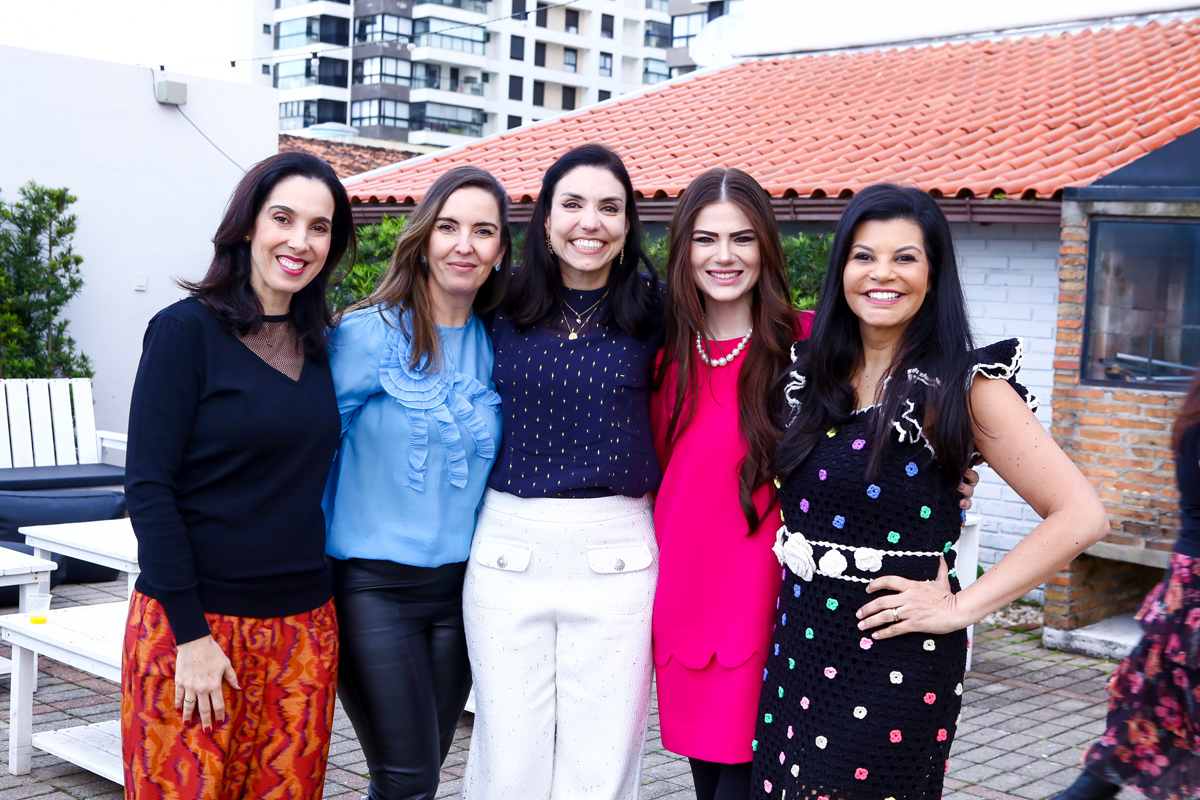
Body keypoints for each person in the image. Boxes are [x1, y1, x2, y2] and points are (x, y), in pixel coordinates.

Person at [751, 183, 1109, 799]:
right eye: (864, 256)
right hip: (799, 646)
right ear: (841, 270)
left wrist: (959, 608)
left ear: (932, 274)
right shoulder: (811, 376)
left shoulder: (966, 387)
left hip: (896, 660)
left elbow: (1080, 515)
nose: (881, 273)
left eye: (905, 257)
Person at [122, 152, 354, 799]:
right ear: (249, 224)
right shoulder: (183, 332)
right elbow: (148, 488)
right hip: (195, 625)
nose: (299, 241)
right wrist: (191, 636)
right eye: (283, 218)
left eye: (319, 227)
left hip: (303, 630)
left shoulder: (324, 344)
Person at [461, 143, 663, 800]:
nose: (590, 222)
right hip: (507, 547)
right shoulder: (498, 301)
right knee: (507, 760)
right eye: (572, 204)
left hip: (617, 552)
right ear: (546, 219)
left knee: (600, 767)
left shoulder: (661, 311)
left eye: (610, 207)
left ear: (628, 224)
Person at [322, 166, 510, 800]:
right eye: (449, 227)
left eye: (483, 231)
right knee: (406, 777)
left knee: (420, 775)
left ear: (500, 251)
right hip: (370, 588)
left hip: (462, 591)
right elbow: (304, 455)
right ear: (424, 238)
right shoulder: (365, 334)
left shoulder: (500, 344)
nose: (465, 245)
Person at [651, 167, 811, 800]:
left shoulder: (810, 344)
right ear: (683, 250)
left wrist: (952, 476)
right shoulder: (661, 357)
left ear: (765, 247)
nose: (724, 256)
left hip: (775, 613)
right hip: (686, 609)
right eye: (705, 239)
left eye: (742, 238)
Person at [1052, 368, 1200, 800]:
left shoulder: (1192, 418)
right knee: (1151, 707)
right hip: (1192, 586)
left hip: (1187, 582)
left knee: (1150, 704)